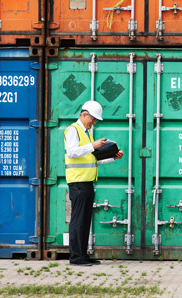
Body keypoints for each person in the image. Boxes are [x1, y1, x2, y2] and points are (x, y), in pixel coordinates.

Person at [65, 100, 124, 266]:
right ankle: (76, 258)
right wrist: (93, 145)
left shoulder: (86, 133)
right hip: (77, 183)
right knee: (78, 221)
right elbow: (71, 152)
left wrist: (113, 157)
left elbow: (93, 160)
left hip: (87, 183)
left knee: (85, 221)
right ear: (84, 115)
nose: (94, 122)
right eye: (93, 119)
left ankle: (82, 255)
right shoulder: (73, 130)